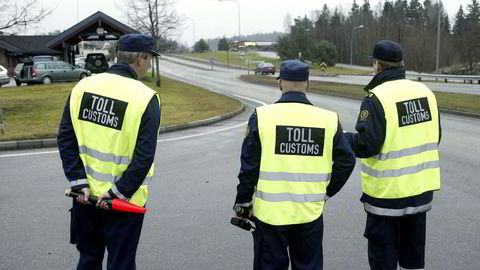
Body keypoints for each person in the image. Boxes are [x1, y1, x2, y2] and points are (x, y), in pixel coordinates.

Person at [234, 60, 356, 270]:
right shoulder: (328, 119)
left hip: (270, 216)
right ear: (307, 84)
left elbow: (249, 167)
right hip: (310, 213)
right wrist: (326, 192)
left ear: (280, 83)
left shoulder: (262, 117)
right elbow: (347, 161)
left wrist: (242, 202)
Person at [57, 33, 161, 270]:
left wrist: (78, 182)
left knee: (88, 259)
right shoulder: (145, 98)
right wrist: (118, 193)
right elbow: (144, 156)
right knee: (121, 264)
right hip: (124, 203)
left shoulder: (83, 86)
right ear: (141, 58)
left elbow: (65, 138)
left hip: (84, 197)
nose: (149, 64)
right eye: (150, 59)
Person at [344, 40, 441, 270]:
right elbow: (435, 136)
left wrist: (343, 138)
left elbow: (367, 145)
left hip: (387, 197)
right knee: (412, 260)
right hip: (419, 193)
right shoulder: (425, 92)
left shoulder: (377, 97)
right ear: (401, 64)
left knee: (383, 261)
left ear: (378, 65)